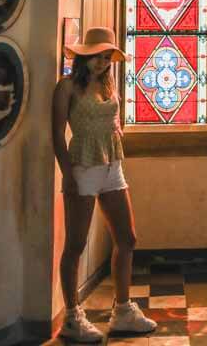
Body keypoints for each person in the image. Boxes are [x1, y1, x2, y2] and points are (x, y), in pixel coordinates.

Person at [52, 26, 157, 341]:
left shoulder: (108, 83)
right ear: (85, 56)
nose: (103, 62)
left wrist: (116, 130)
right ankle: (72, 317)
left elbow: (112, 118)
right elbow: (57, 134)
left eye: (107, 56)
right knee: (76, 244)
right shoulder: (66, 87)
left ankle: (122, 310)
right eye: (98, 56)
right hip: (83, 167)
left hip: (112, 166)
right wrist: (67, 173)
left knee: (127, 238)